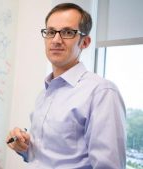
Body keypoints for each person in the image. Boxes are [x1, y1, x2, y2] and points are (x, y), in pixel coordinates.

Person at [7, 3, 126, 169]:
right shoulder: (44, 94)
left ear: (85, 42)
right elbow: (48, 158)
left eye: (67, 32)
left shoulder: (102, 92)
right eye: (50, 32)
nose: (56, 40)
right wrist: (23, 147)